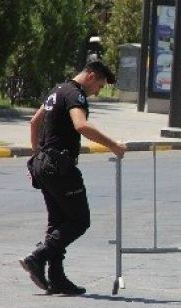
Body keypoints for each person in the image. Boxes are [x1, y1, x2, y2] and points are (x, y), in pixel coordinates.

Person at [20, 61, 127, 295]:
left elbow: (34, 122)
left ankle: (56, 278)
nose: (97, 91)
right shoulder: (74, 94)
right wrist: (113, 145)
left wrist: (37, 156)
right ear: (90, 76)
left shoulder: (57, 90)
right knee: (79, 221)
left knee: (58, 223)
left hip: (45, 164)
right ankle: (39, 256)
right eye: (99, 85)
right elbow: (81, 125)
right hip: (60, 166)